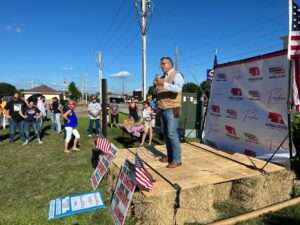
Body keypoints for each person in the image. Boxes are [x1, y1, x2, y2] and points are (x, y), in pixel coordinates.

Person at [154, 56, 184, 168]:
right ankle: (170, 157)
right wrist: (156, 85)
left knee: (172, 133)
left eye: (164, 63)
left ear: (171, 64)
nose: (162, 65)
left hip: (173, 108)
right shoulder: (162, 77)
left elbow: (178, 88)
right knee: (166, 134)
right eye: (161, 64)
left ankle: (177, 160)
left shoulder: (177, 75)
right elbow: (158, 93)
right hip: (162, 109)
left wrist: (163, 83)